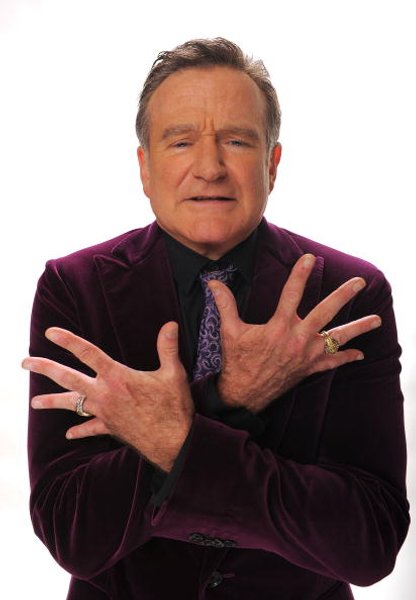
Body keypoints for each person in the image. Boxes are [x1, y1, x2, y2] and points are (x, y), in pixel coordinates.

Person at [23, 38, 409, 599]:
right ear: (145, 167)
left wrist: (171, 439)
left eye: (237, 141)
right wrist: (230, 398)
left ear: (272, 164)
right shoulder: (74, 288)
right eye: (181, 142)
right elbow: (72, 536)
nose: (209, 169)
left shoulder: (348, 294)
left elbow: (370, 543)